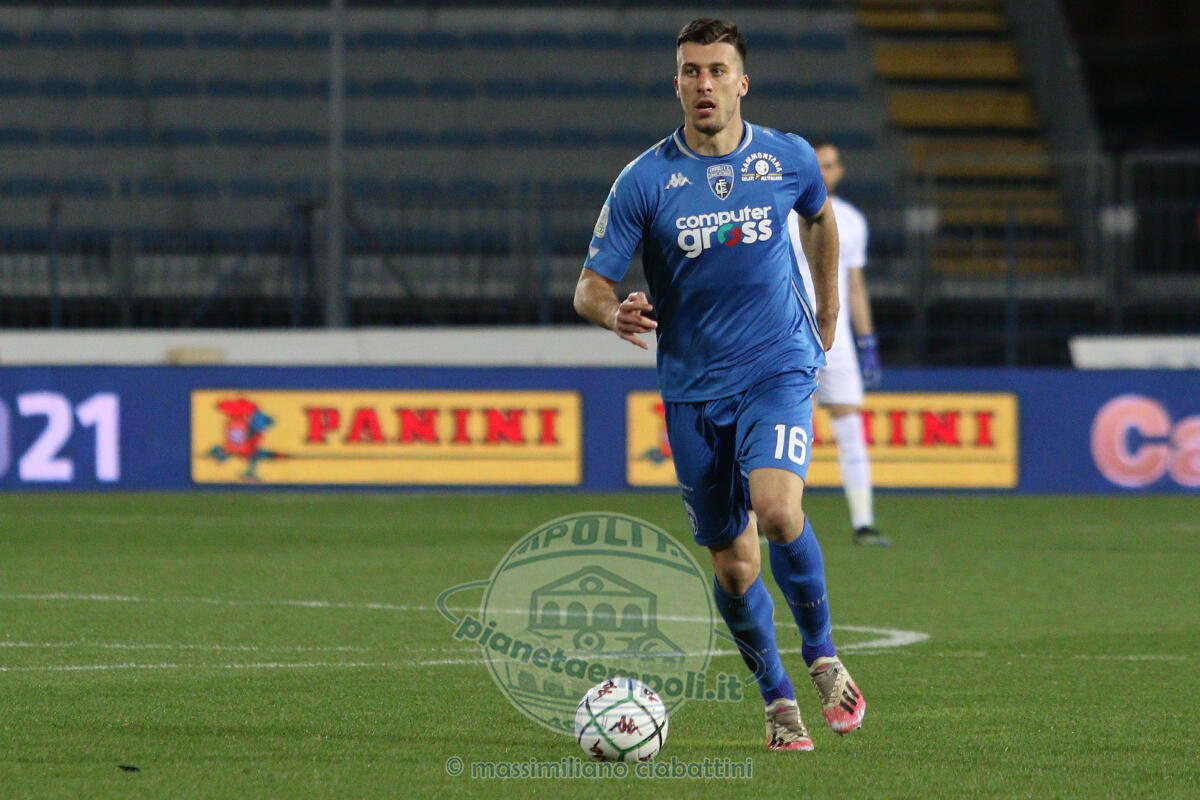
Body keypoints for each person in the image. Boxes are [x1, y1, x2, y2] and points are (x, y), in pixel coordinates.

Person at [573, 17, 866, 752]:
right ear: (676, 83)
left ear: (742, 82)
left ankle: (822, 654)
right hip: (693, 390)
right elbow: (588, 285)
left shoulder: (787, 157)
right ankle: (777, 701)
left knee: (778, 509)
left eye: (717, 70)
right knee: (735, 569)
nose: (704, 83)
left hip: (777, 365)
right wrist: (613, 312)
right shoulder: (645, 180)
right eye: (691, 71)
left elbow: (819, 218)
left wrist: (828, 306)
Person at [787, 141, 891, 547]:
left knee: (850, 426)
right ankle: (766, 518)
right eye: (817, 165)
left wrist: (868, 342)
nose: (823, 171)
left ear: (839, 171)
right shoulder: (783, 213)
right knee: (782, 427)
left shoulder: (851, 220)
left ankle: (863, 522)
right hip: (789, 334)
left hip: (838, 340)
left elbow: (855, 287)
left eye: (829, 165)